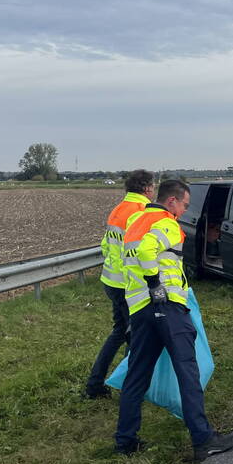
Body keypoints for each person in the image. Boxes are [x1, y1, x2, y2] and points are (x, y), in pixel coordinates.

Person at [115, 179, 233, 460]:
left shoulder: (136, 222)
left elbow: (131, 259)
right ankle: (203, 438)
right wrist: (154, 283)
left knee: (136, 375)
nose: (184, 211)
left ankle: (125, 440)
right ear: (172, 201)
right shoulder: (166, 222)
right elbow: (148, 252)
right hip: (166, 306)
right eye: (184, 205)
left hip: (139, 309)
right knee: (187, 371)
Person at [84, 169, 155, 399]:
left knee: (119, 332)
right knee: (135, 338)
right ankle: (130, 389)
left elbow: (106, 246)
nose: (153, 191)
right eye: (152, 187)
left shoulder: (118, 209)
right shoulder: (141, 211)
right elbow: (138, 253)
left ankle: (95, 385)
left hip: (111, 281)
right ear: (146, 188)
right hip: (129, 286)